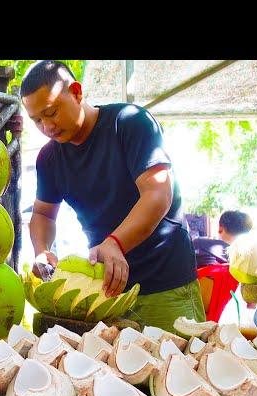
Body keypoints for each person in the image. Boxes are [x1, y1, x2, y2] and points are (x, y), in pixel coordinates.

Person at [21, 60, 205, 332]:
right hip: (104, 295)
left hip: (165, 286)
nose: (47, 126)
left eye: (51, 112)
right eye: (37, 120)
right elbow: (43, 213)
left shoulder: (130, 122)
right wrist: (42, 252)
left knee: (182, 370)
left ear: (76, 92)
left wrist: (115, 242)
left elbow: (158, 192)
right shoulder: (48, 158)